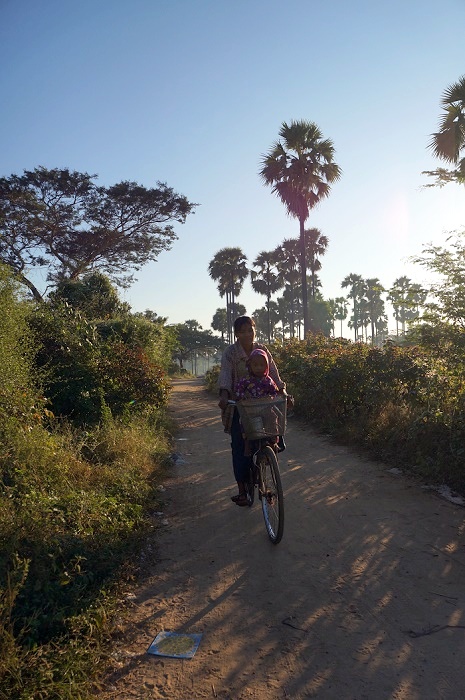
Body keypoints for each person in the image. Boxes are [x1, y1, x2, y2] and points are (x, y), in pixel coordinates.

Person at [217, 316, 286, 507]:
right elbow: (225, 375)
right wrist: (224, 394)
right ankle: (242, 490)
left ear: (255, 330)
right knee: (240, 447)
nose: (248, 333)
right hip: (242, 406)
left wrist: (283, 392)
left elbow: (273, 373)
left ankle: (268, 472)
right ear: (237, 334)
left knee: (272, 433)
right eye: (243, 330)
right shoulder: (230, 353)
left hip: (265, 404)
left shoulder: (262, 350)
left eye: (251, 329)